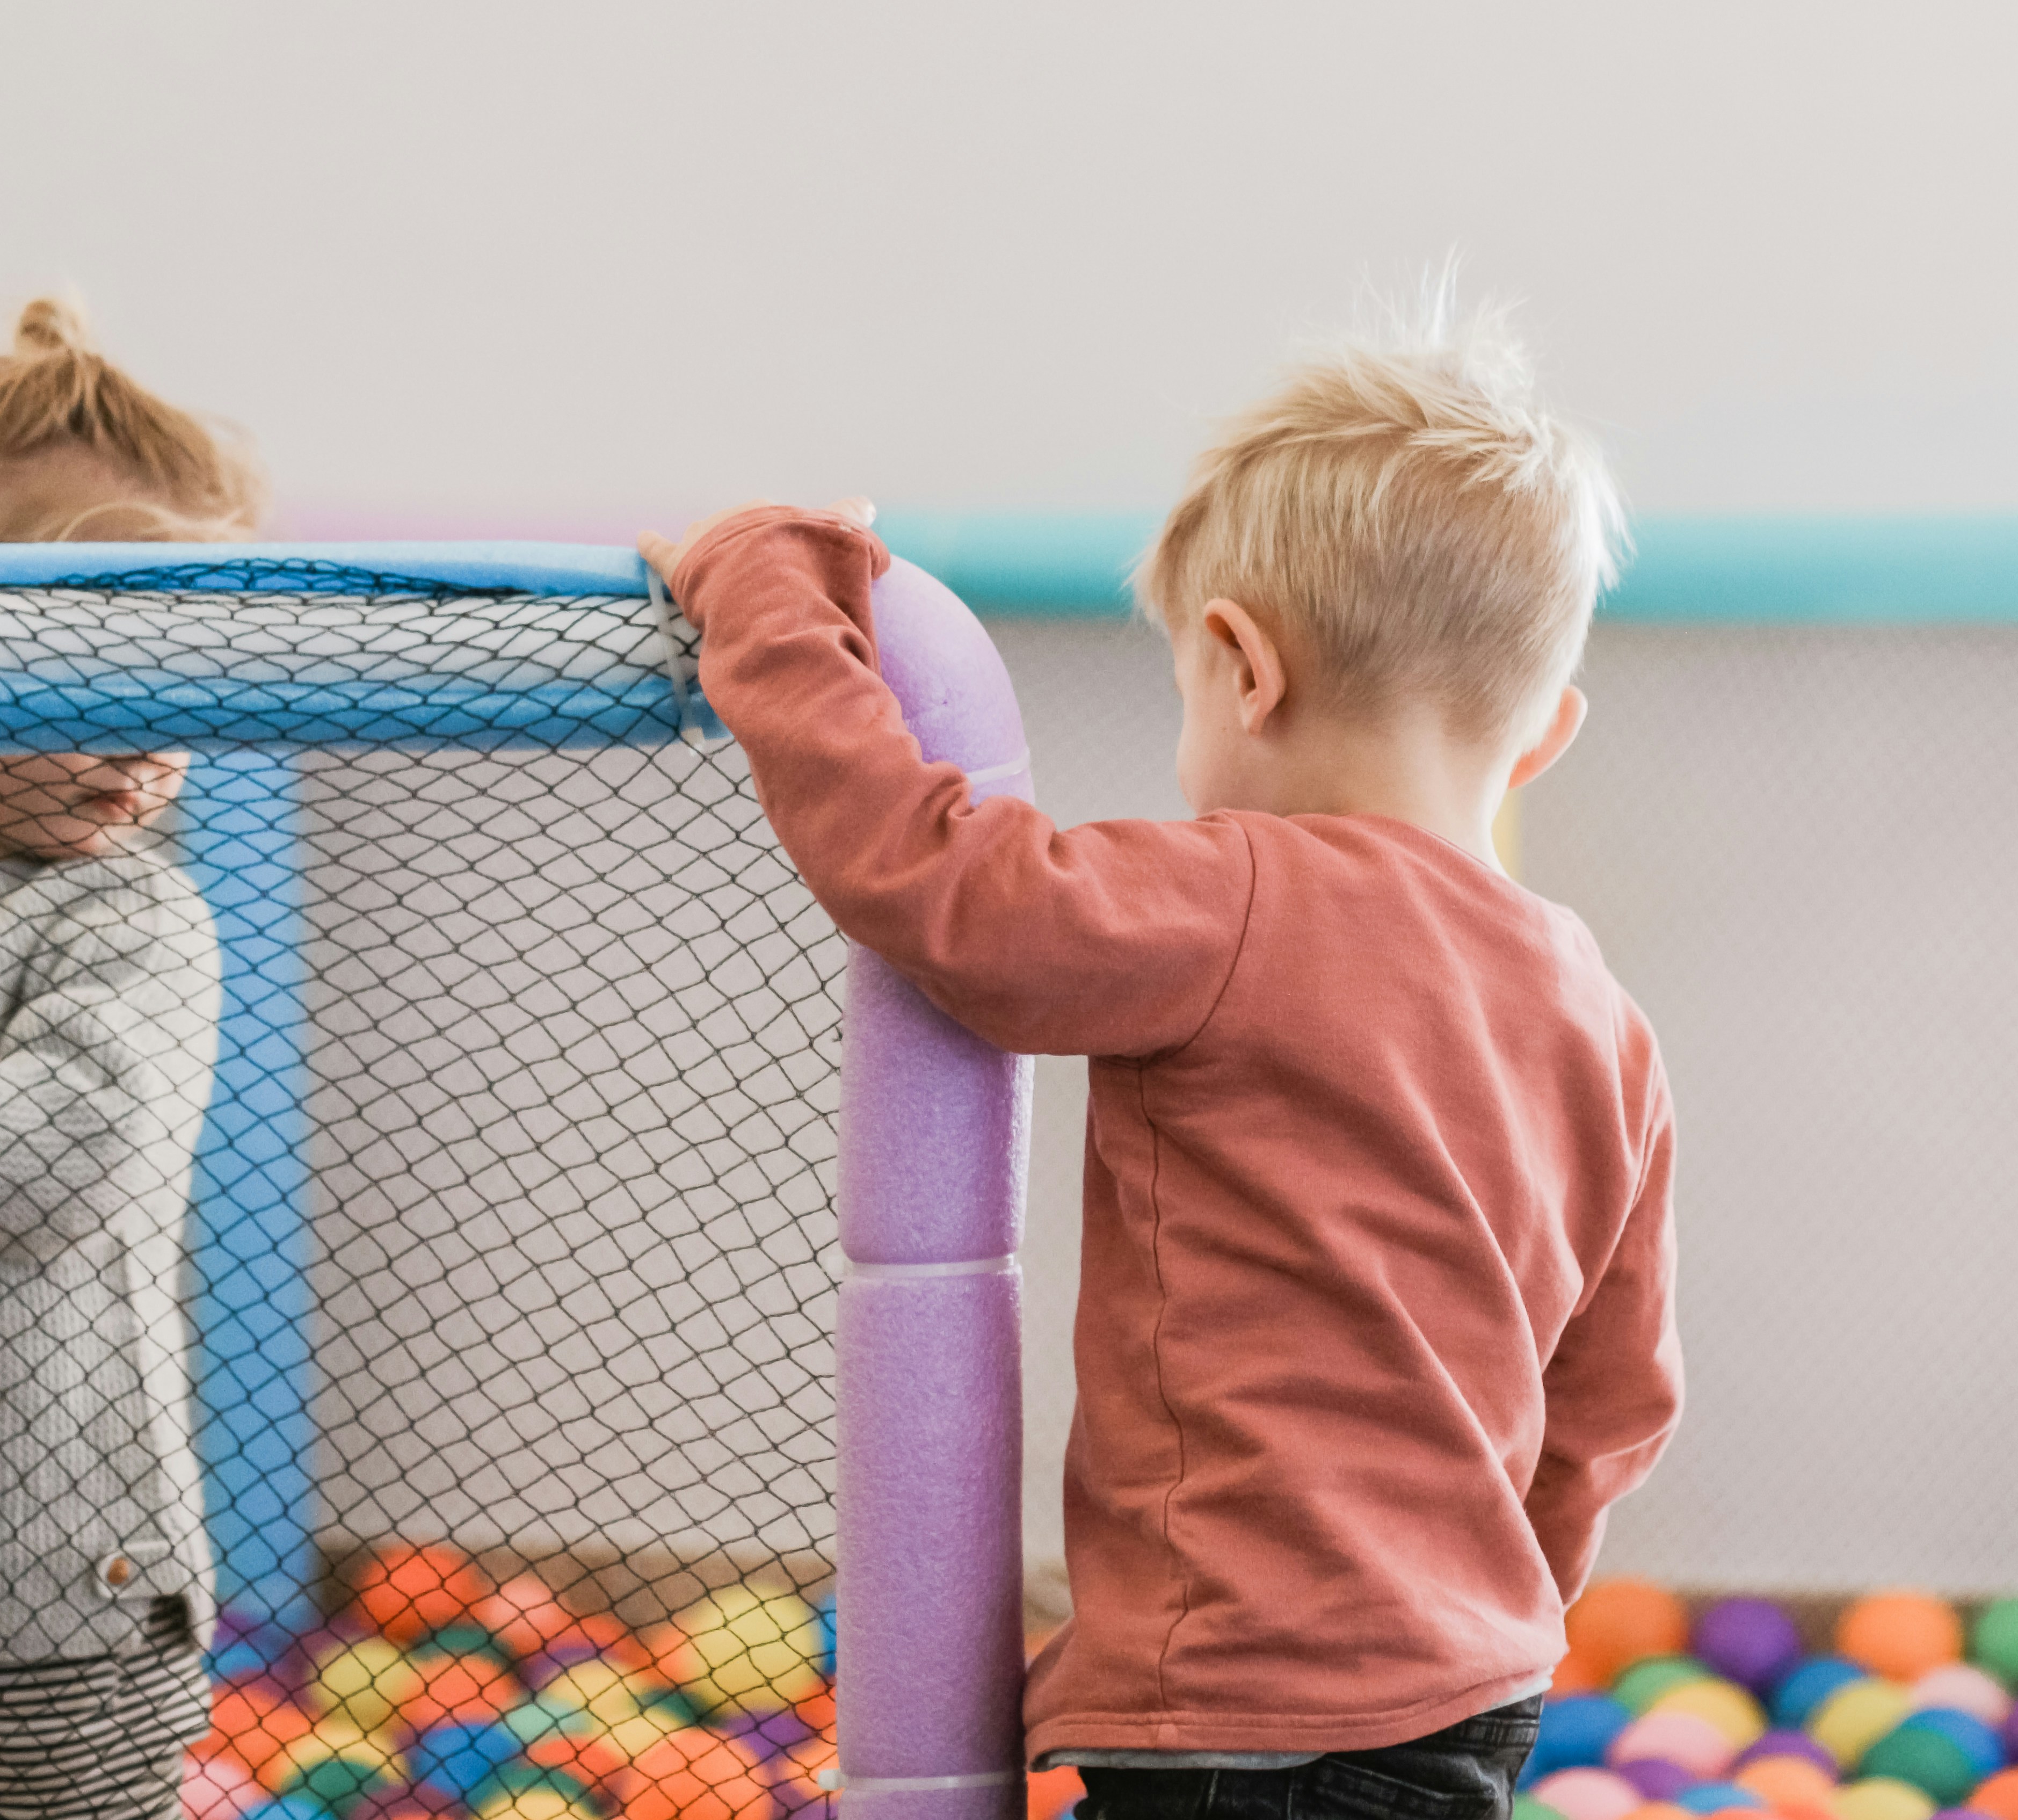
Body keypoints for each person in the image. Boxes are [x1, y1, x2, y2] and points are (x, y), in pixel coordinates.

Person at [641, 298, 1681, 1820]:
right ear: (1543, 738)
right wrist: (1472, 1603)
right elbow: (1616, 1401)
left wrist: (763, 588)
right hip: (1472, 1695)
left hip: (1251, 1718)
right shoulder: (1601, 1011)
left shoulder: (1237, 891)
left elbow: (942, 886)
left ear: (1242, 669)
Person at [0, 295, 246, 1817]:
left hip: (56, 1601)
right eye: (80, 674)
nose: (138, 744)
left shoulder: (129, 918)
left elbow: (63, 1150)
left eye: (181, 693)